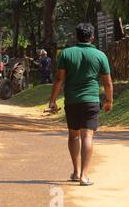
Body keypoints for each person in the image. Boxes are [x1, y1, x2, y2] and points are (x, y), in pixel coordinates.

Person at [48, 23, 113, 186]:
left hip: (72, 101)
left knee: (73, 135)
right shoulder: (100, 55)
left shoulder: (66, 54)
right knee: (87, 136)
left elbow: (59, 79)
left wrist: (53, 100)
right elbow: (108, 82)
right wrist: (109, 100)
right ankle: (84, 175)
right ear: (92, 37)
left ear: (75, 37)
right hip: (91, 101)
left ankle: (76, 172)